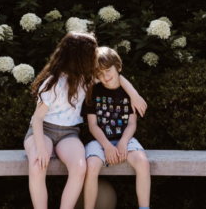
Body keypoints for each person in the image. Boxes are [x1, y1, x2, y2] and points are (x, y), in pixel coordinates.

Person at [24, 32, 147, 209]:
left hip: (69, 133)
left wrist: (134, 95)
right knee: (37, 165)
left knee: (80, 167)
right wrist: (41, 148)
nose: (95, 56)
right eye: (91, 54)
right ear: (79, 58)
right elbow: (37, 119)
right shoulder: (53, 82)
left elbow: (117, 76)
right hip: (43, 130)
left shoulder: (86, 79)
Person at [81, 46, 151, 209]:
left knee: (143, 162)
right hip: (99, 141)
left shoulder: (128, 94)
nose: (105, 77)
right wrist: (106, 146)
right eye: (99, 74)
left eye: (108, 71)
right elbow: (92, 125)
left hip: (124, 139)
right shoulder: (93, 92)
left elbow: (132, 123)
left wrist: (123, 143)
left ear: (119, 67)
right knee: (91, 166)